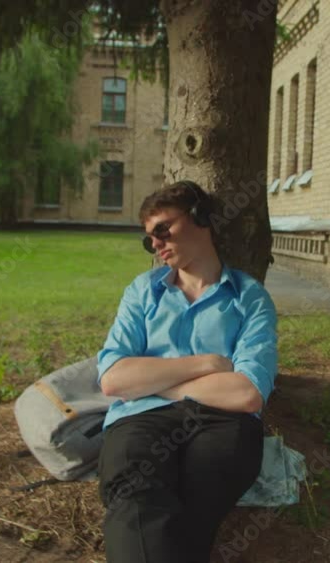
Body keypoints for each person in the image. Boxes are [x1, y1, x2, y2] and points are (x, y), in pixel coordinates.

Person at [95, 180, 279, 563]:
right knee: (134, 490)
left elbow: (247, 393)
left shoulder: (249, 298)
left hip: (223, 419)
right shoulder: (142, 292)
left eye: (163, 230)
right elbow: (114, 379)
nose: (156, 244)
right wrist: (207, 364)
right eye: (149, 239)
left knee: (202, 494)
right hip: (141, 417)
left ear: (201, 218)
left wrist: (154, 381)